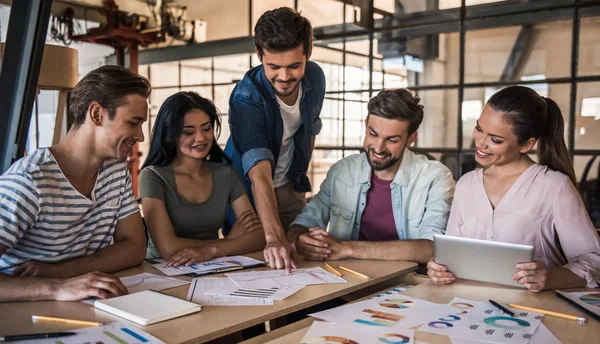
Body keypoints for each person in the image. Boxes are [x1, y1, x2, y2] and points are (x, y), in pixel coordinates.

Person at [427, 86, 600, 292]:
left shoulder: (554, 187)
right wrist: (439, 267)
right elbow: (452, 256)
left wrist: (550, 278)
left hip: (536, 310)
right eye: (479, 128)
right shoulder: (466, 184)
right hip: (469, 305)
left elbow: (594, 260)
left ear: (526, 145)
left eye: (496, 140)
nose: (481, 143)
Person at [0, 65, 150, 302]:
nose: (140, 136)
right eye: (133, 123)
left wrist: (63, 272)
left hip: (85, 304)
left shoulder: (115, 172)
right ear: (97, 114)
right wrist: (58, 287)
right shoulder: (29, 181)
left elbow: (134, 248)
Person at [288, 89, 455, 264]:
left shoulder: (435, 178)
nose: (378, 148)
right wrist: (299, 239)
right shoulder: (343, 170)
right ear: (366, 124)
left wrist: (346, 248)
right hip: (346, 276)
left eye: (392, 140)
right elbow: (306, 220)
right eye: (373, 134)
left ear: (410, 138)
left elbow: (431, 248)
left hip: (405, 280)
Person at [224, 7, 326, 272]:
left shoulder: (315, 78)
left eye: (294, 65)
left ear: (308, 54)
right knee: (256, 265)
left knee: (300, 262)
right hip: (248, 191)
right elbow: (258, 173)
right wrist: (273, 238)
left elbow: (310, 130)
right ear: (259, 55)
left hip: (290, 184)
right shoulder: (246, 97)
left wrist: (299, 179)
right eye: (273, 66)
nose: (284, 77)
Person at [139, 92, 265, 267]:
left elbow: (258, 237)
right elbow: (168, 247)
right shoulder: (152, 176)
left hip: (212, 265)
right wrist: (231, 240)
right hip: (162, 268)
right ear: (171, 134)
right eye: (188, 132)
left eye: (206, 128)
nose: (200, 138)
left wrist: (211, 251)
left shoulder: (226, 174)